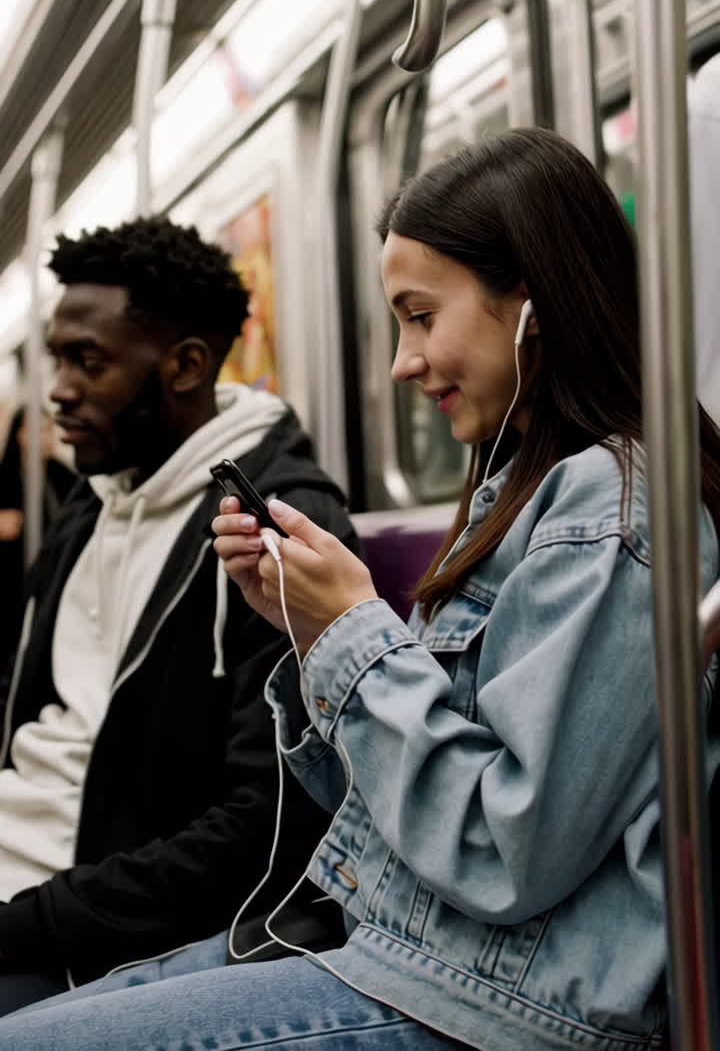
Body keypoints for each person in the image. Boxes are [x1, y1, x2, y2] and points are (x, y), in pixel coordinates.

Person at [3, 128, 720, 1050]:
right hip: (393, 940)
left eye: (421, 316)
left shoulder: (621, 508)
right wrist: (309, 634)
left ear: (532, 310)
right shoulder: (520, 490)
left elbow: (506, 850)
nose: (401, 363)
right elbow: (396, 800)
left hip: (496, 1000)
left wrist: (349, 630)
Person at [0, 216, 357, 1016]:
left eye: (87, 361)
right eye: (58, 359)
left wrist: (28, 925)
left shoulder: (275, 528)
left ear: (187, 365)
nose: (58, 389)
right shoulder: (91, 505)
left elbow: (264, 826)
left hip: (88, 921)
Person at [0, 407, 75, 684]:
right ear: (19, 435)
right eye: (36, 430)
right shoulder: (5, 477)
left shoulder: (65, 477)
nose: (44, 437)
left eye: (47, 429)